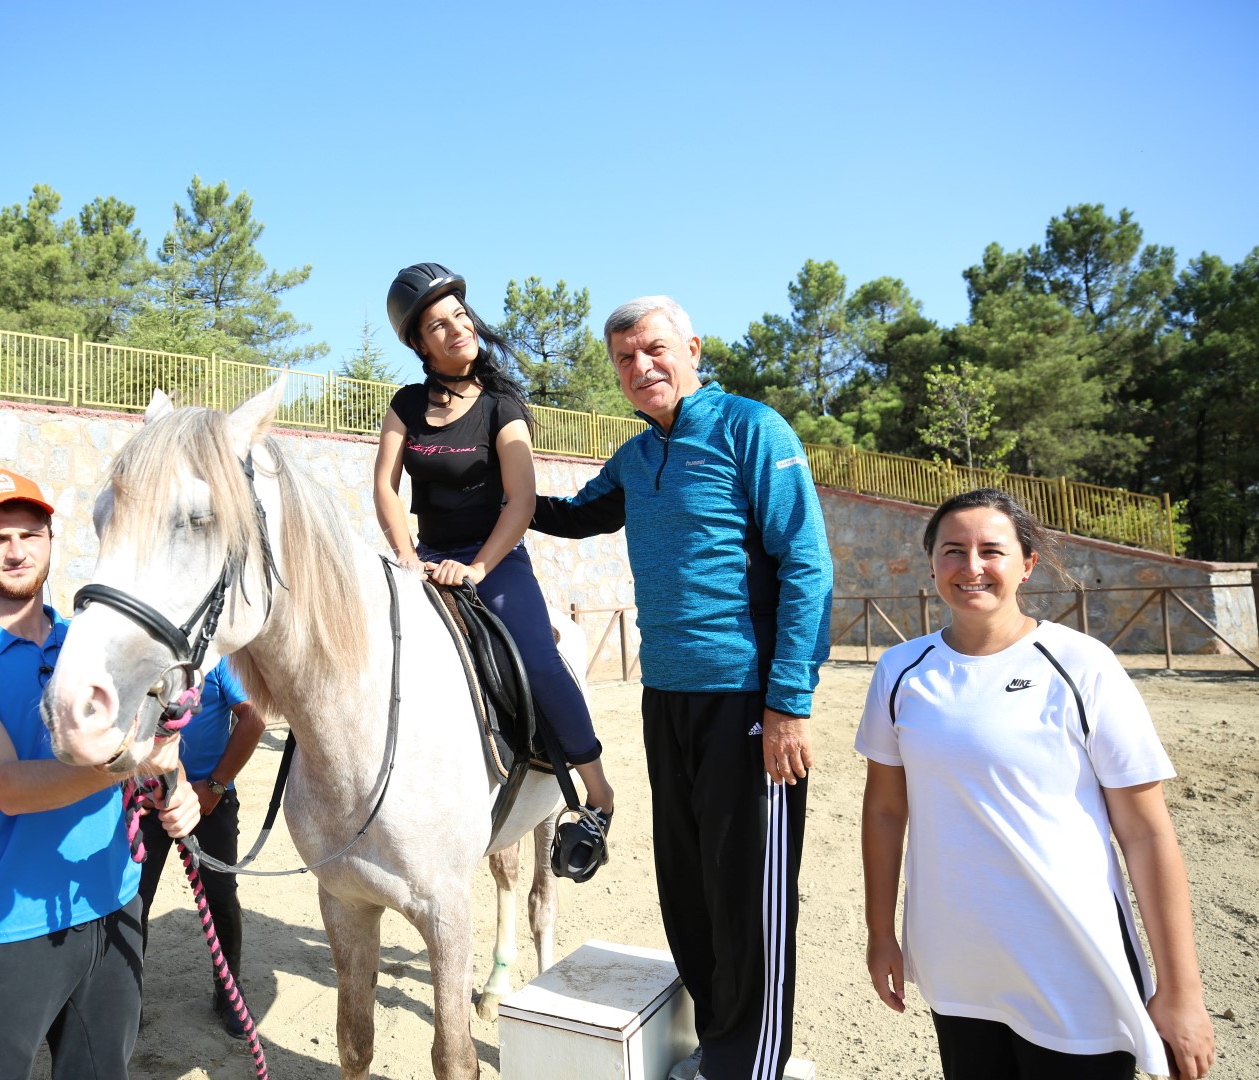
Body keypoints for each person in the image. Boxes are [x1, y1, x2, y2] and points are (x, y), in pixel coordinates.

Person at [529, 295, 833, 1080]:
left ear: (692, 347)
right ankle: (717, 1047)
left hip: (746, 699)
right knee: (688, 886)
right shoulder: (636, 460)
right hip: (666, 698)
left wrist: (788, 702)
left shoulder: (750, 429)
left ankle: (748, 1066)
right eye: (625, 359)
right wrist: (486, 477)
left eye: (655, 350)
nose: (641, 368)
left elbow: (807, 564)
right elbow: (566, 515)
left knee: (748, 897)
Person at [858, 488, 1215, 1080]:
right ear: (931, 564)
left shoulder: (1082, 665)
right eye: (953, 550)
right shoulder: (899, 671)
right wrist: (880, 935)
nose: (971, 568)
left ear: (1027, 564)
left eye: (990, 551)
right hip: (960, 966)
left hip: (1075, 968)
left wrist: (1182, 992)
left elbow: (1147, 834)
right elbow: (886, 811)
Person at [0, 468, 198, 1080]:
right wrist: (132, 758)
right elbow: (8, 787)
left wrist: (177, 785)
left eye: (30, 534)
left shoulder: (89, 646)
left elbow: (155, 749)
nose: (16, 551)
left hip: (113, 903)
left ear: (50, 541)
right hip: (4, 924)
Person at [375, 262, 616, 879]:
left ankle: (597, 792)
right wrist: (407, 560)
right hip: (423, 559)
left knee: (537, 657)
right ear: (419, 344)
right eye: (438, 325)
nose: (456, 329)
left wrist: (479, 569)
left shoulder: (503, 404)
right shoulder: (405, 405)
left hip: (495, 556)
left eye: (459, 315)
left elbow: (522, 502)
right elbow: (385, 488)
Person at [135, 660, 266, 1039]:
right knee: (134, 899)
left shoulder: (224, 658)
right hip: (149, 797)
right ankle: (126, 994)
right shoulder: (146, 648)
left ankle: (228, 991)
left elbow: (253, 719)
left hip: (208, 799)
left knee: (221, 897)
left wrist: (216, 786)